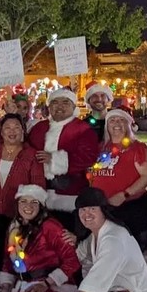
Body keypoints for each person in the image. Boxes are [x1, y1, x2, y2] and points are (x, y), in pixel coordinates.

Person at [0, 114, 46, 292]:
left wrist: (33, 211)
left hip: (20, 213)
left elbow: (38, 185)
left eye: (16, 127)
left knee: (18, 250)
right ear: (1, 131)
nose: (12, 131)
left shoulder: (31, 155)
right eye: (7, 127)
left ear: (23, 131)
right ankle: (1, 285)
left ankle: (19, 286)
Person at [26, 88, 99, 231]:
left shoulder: (82, 129)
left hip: (70, 194)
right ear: (49, 107)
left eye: (65, 102)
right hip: (40, 193)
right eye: (55, 102)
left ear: (73, 106)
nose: (59, 106)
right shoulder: (39, 128)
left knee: (67, 238)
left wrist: (54, 159)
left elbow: (88, 157)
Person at [88, 108, 147, 251]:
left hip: (129, 208)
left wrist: (125, 194)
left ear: (129, 124)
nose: (116, 123)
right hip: (104, 209)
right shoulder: (101, 148)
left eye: (121, 120)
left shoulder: (137, 148)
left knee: (128, 252)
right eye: (112, 120)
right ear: (107, 126)